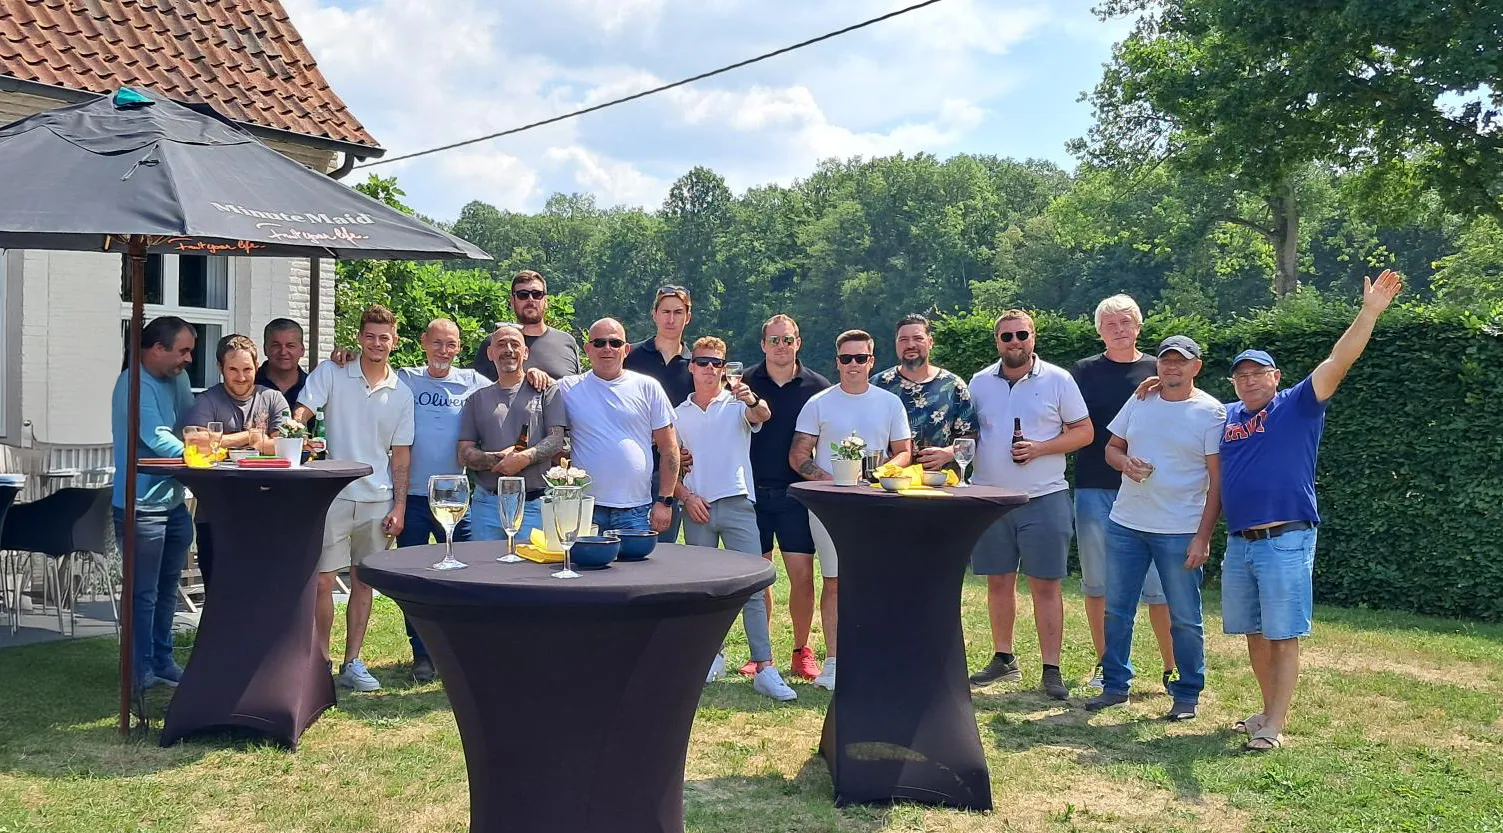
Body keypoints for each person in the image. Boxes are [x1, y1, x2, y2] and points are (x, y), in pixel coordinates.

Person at [1218, 270, 1403, 751]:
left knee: (1283, 634)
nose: (1249, 380)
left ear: (1275, 377)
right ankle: (1264, 711)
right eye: (1241, 374)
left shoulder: (1297, 404)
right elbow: (1184, 404)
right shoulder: (1229, 416)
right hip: (1240, 542)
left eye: (1258, 372)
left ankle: (1275, 725)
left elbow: (1338, 361)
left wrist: (1369, 313)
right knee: (1255, 633)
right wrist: (1151, 385)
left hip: (1286, 537)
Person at [1084, 336, 1225, 721]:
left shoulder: (1211, 413)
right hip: (1127, 523)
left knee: (1184, 615)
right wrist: (1125, 464)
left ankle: (1187, 692)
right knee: (1117, 611)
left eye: (1181, 362)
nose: (1172, 368)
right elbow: (1111, 448)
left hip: (1180, 530)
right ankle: (1115, 686)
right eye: (1166, 361)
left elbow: (1218, 481)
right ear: (1157, 366)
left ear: (1196, 367)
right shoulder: (1141, 399)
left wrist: (1203, 536)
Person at [967, 309, 1093, 700]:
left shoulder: (1059, 379)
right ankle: (1003, 658)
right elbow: (969, 434)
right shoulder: (979, 382)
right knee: (998, 583)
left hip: (1044, 496)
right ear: (997, 342)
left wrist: (1040, 448)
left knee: (1046, 586)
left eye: (1021, 334)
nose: (1014, 341)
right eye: (1006, 336)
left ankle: (1051, 669)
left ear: (1033, 337)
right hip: (990, 498)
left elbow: (1085, 432)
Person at [293, 305, 415, 693]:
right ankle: (320, 662)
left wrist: (399, 506)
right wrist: (294, 432)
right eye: (370, 336)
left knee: (364, 583)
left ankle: (353, 662)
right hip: (332, 496)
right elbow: (301, 413)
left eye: (385, 337)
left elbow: (400, 454)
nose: (377, 343)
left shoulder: (402, 393)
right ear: (359, 337)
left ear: (394, 342)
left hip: (378, 499)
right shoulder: (332, 371)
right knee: (323, 582)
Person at [674, 336, 796, 701]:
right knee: (704, 593)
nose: (709, 369)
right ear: (691, 366)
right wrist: (686, 497)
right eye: (703, 362)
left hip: (738, 504)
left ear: (724, 369)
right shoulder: (678, 413)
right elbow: (670, 466)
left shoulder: (736, 404)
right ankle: (711, 657)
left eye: (716, 363)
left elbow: (762, 415)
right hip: (697, 508)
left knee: (753, 589)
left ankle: (765, 667)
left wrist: (751, 398)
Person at [790, 329, 913, 691]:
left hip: (878, 502)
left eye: (861, 358)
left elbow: (904, 450)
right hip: (830, 505)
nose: (853, 365)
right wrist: (830, 479)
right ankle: (833, 661)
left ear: (872, 361)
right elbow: (798, 456)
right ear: (837, 362)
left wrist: (882, 473)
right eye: (846, 359)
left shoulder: (889, 403)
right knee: (835, 581)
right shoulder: (819, 403)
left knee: (878, 581)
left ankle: (876, 656)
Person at [1070, 295, 1177, 691]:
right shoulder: (1082, 372)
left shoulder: (1159, 369)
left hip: (1151, 491)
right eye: (1110, 323)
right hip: (1096, 486)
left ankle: (1173, 668)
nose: (1119, 329)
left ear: (1139, 326)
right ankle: (1108, 665)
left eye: (1126, 321)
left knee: (1160, 586)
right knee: (1099, 584)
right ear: (1099, 330)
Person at [395, 319, 488, 682]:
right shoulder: (406, 378)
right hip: (413, 495)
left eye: (451, 345)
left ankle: (462, 646)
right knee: (414, 578)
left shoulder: (472, 383)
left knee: (466, 571)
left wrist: (536, 375)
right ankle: (422, 653)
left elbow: (509, 384)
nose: (443, 351)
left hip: (455, 493)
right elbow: (371, 373)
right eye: (437, 343)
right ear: (423, 343)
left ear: (459, 348)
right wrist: (346, 357)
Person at [112, 316, 196, 691]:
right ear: (157, 349)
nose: (188, 360)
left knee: (167, 590)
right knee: (142, 593)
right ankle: (138, 669)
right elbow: (161, 440)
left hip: (173, 502)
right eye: (183, 351)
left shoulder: (174, 378)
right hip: (140, 505)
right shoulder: (133, 384)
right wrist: (204, 456)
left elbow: (191, 421)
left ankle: (162, 661)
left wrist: (203, 442)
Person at [745, 314, 832, 681]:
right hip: (752, 494)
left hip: (797, 495)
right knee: (759, 577)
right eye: (774, 340)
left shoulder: (818, 387)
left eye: (788, 340)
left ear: (799, 343)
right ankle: (760, 653)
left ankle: (801, 649)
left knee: (802, 576)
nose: (781, 346)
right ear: (763, 344)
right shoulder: (745, 383)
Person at [181, 334, 289, 590]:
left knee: (263, 590)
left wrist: (221, 441)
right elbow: (195, 441)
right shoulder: (208, 400)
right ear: (220, 368)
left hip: (267, 510)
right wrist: (249, 437)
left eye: (247, 369)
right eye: (233, 369)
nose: (241, 377)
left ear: (257, 366)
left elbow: (286, 444)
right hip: (216, 512)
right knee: (219, 591)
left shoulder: (272, 398)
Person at [556, 319, 680, 534]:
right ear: (587, 349)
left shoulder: (648, 387)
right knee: (585, 567)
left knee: (635, 568)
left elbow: (669, 449)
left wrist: (665, 501)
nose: (607, 349)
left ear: (626, 349)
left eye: (615, 343)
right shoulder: (567, 388)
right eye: (599, 343)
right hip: (585, 507)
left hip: (636, 509)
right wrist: (533, 374)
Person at [458, 323, 568, 545]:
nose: (508, 349)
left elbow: (556, 439)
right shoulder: (476, 399)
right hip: (487, 505)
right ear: (490, 353)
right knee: (484, 571)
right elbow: (464, 453)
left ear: (525, 352)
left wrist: (524, 457)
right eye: (501, 345)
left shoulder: (547, 390)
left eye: (515, 344)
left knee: (531, 575)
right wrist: (496, 459)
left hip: (533, 505)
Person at [623, 285, 695, 542]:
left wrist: (687, 447)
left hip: (670, 471)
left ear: (688, 316)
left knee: (662, 552)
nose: (671, 319)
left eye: (678, 312)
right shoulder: (630, 356)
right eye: (665, 311)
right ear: (654, 314)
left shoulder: (696, 364)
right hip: (631, 465)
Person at [873, 312, 977, 471]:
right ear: (896, 344)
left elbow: (971, 435)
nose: (910, 345)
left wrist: (948, 453)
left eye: (918, 338)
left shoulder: (953, 385)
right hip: (886, 484)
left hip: (940, 483)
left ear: (930, 342)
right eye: (903, 340)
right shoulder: (878, 385)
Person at [470, 269, 582, 384]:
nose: (530, 299)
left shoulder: (566, 342)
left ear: (546, 301)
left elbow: (576, 391)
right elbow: (480, 390)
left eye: (537, 294)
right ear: (512, 301)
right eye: (522, 295)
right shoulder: (495, 342)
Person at [256, 318, 315, 434]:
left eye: (290, 345)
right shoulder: (250, 383)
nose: (283, 352)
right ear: (265, 349)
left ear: (302, 350)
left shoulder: (313, 387)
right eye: (276, 345)